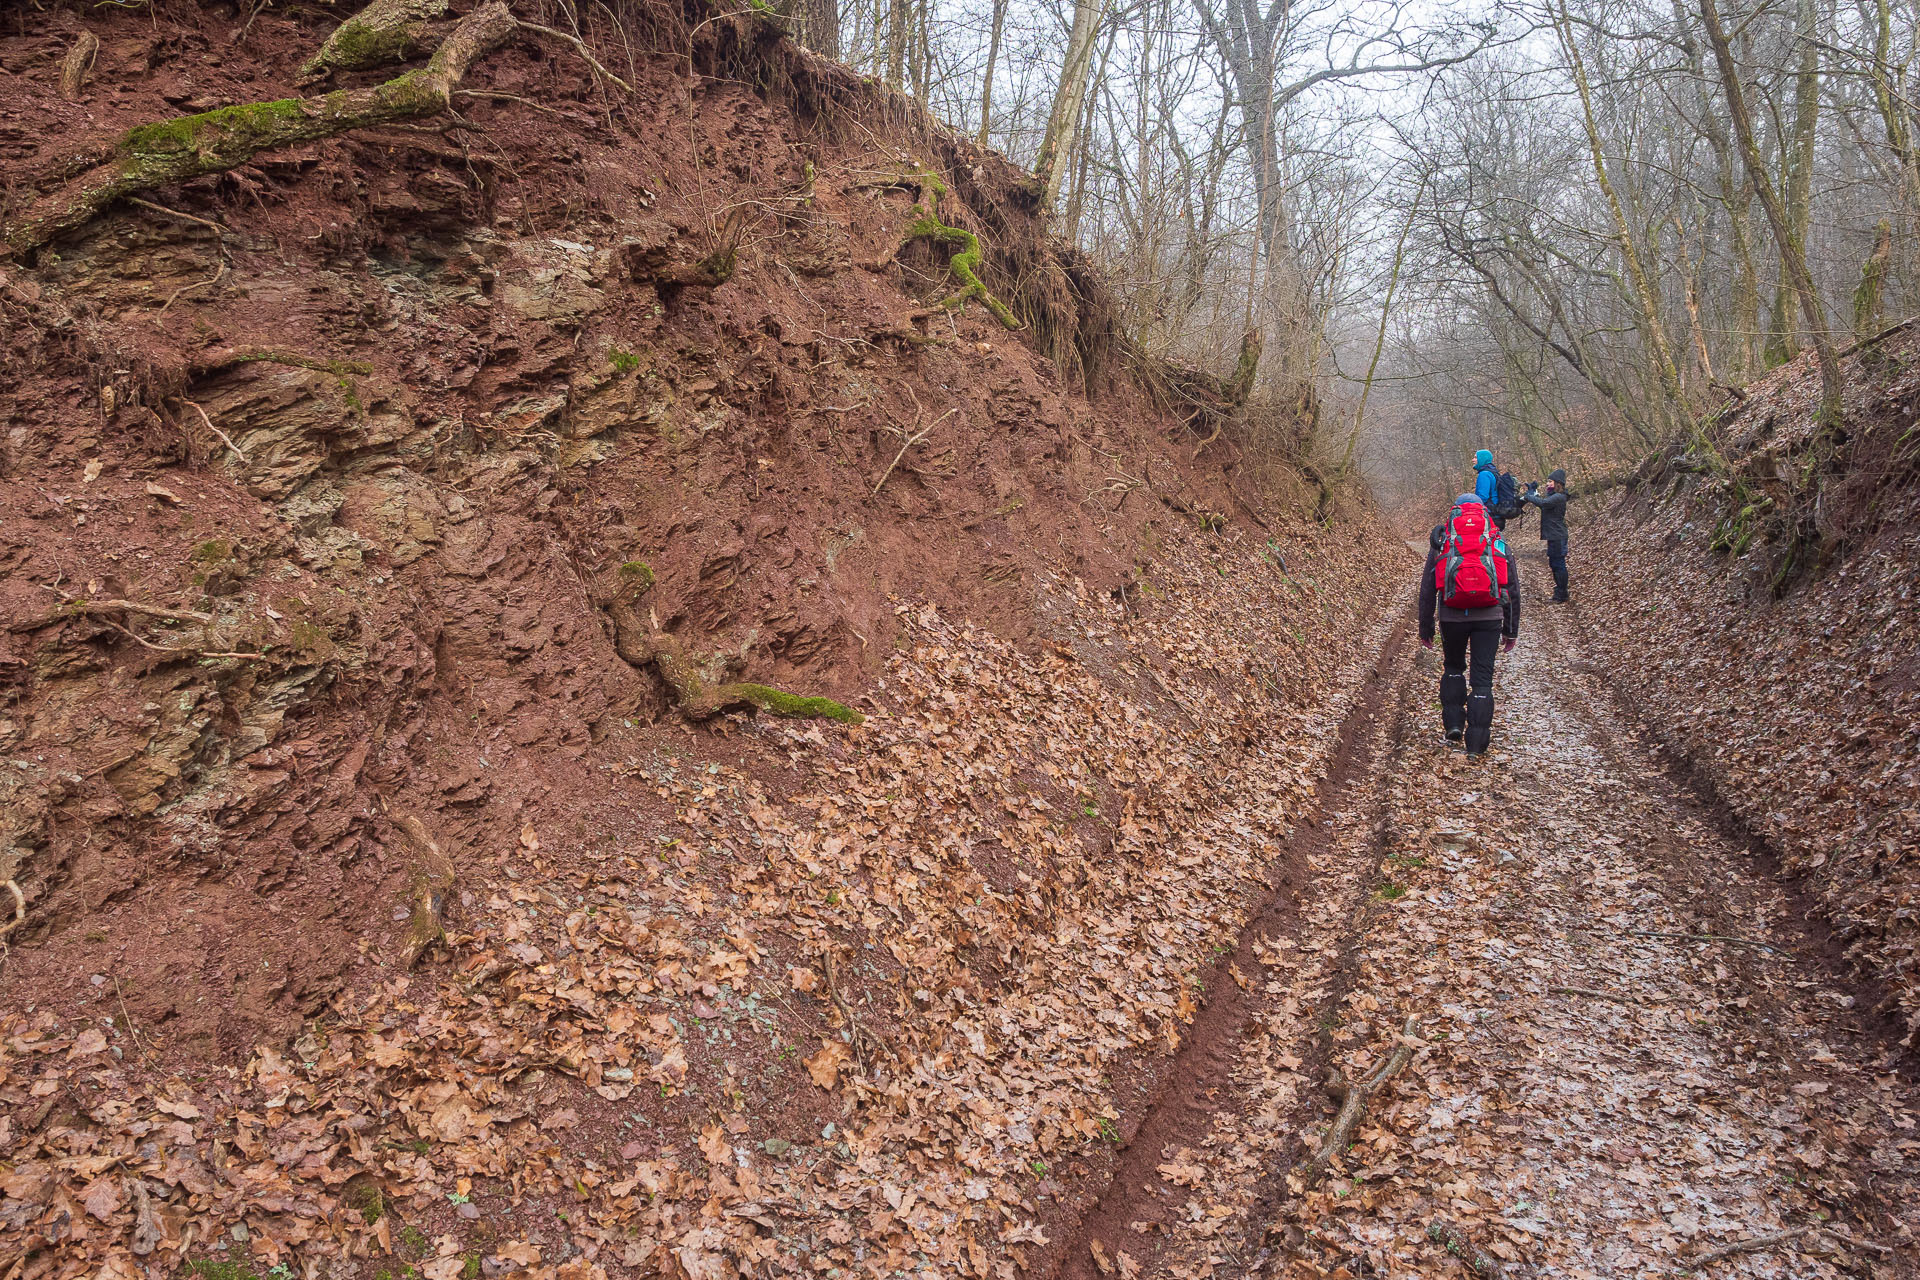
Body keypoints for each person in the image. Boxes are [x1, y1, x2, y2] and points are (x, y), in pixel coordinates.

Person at [1419, 496, 1522, 755]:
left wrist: (1426, 628)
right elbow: (1512, 589)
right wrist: (1511, 630)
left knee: (1453, 667)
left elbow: (1427, 590)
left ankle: (1453, 725)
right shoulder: (1497, 542)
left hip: (1452, 617)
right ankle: (1476, 745)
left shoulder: (1443, 542)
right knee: (1482, 680)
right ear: (1484, 514)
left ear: (1454, 512)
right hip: (1489, 617)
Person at [1523, 469, 1572, 602]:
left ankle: (1562, 594)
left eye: (1550, 481)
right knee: (1554, 564)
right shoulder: (1554, 497)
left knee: (1558, 564)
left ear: (1558, 483)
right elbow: (1544, 504)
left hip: (1558, 536)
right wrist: (1532, 494)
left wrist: (1529, 497)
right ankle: (1560, 592)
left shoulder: (1559, 497)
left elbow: (1544, 504)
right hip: (1554, 536)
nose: (1547, 484)